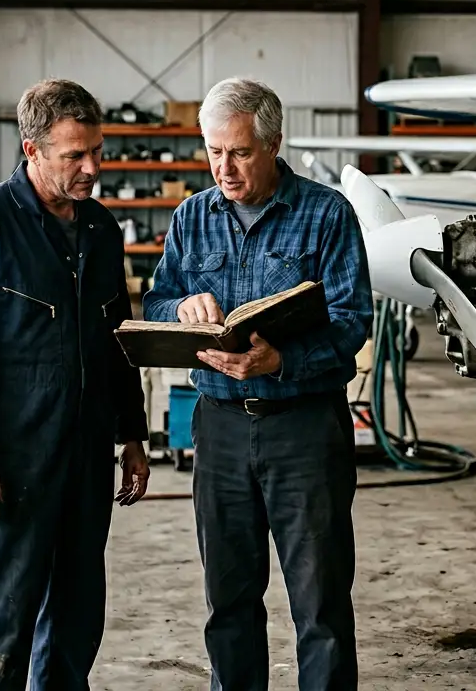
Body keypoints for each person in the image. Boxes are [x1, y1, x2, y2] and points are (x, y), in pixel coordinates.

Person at [143, 77, 374, 690]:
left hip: (303, 428)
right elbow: (158, 299)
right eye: (214, 152)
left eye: (240, 152)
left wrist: (282, 363)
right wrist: (181, 311)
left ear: (273, 144)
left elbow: (352, 321)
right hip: (218, 428)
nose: (225, 167)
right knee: (229, 599)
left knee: (320, 601)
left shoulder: (326, 215)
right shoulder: (192, 217)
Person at [0, 78, 152, 691]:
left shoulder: (103, 231)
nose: (92, 168)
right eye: (73, 155)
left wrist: (132, 433)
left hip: (84, 458)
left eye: (97, 152)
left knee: (76, 617)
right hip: (12, 463)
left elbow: (117, 341)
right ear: (31, 150)